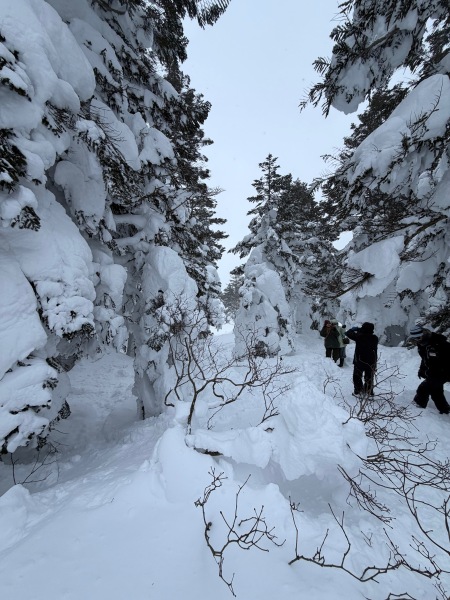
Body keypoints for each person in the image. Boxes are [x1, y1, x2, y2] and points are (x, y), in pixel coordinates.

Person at [409, 324, 450, 415]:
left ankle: (417, 409)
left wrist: (440, 372)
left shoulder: (439, 343)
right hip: (434, 372)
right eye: (415, 339)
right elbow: (425, 359)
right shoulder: (422, 344)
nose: (417, 340)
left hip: (444, 371)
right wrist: (422, 370)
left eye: (419, 337)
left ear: (423, 334)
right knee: (436, 392)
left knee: (424, 388)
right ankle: (445, 411)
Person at [346, 322, 378, 396]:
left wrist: (355, 329)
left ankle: (358, 390)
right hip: (371, 361)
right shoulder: (375, 338)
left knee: (357, 376)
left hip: (359, 361)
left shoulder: (359, 337)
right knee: (369, 377)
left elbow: (348, 333)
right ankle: (369, 391)